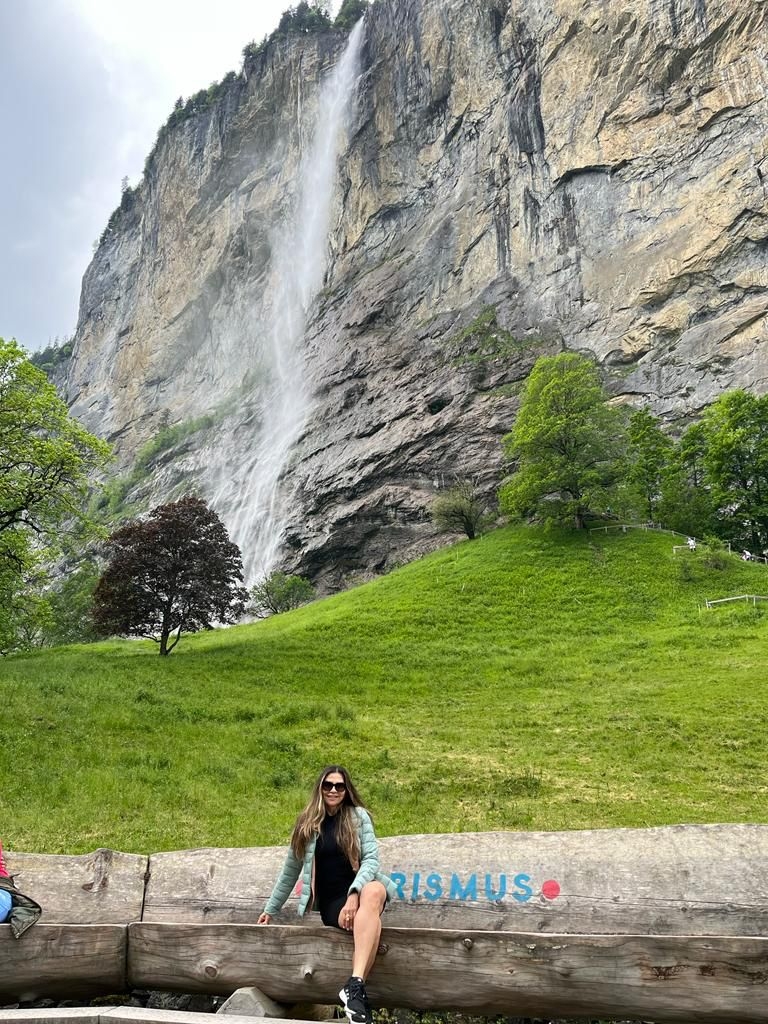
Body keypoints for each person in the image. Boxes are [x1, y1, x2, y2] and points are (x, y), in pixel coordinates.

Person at [258, 766, 397, 1024]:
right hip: (334, 903)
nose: (333, 790)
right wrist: (270, 909)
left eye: (339, 786)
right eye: (328, 785)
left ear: (346, 790)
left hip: (360, 894)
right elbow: (290, 871)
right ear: (320, 788)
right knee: (373, 923)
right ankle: (355, 992)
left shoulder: (358, 817)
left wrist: (354, 894)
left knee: (376, 889)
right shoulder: (308, 824)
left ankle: (355, 984)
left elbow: (371, 860)